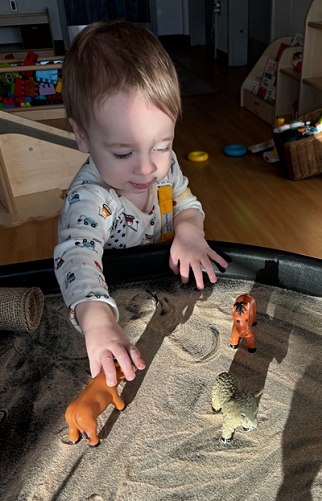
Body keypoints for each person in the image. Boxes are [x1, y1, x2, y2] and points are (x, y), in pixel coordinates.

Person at [54, 21, 227, 388]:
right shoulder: (90, 197)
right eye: (123, 152)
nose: (148, 167)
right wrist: (98, 321)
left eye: (161, 146)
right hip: (112, 293)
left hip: (163, 280)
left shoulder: (163, 167)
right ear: (82, 135)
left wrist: (190, 230)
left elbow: (186, 202)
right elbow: (77, 258)